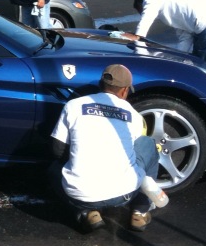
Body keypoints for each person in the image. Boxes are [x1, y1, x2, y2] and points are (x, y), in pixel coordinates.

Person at [50, 64, 162, 232]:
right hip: (124, 194)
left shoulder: (73, 105)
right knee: (148, 144)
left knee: (53, 171)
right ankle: (140, 210)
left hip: (79, 195)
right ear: (124, 91)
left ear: (101, 85)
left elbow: (56, 149)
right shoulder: (133, 115)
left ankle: (87, 211)